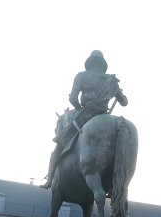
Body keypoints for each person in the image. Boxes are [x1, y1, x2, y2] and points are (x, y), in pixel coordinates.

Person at [42, 50, 128, 189]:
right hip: (104, 115)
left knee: (59, 145)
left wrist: (79, 109)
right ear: (102, 64)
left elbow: (73, 98)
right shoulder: (111, 80)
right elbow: (124, 102)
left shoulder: (82, 76)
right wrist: (117, 91)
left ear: (90, 63)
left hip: (84, 115)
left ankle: (49, 179)